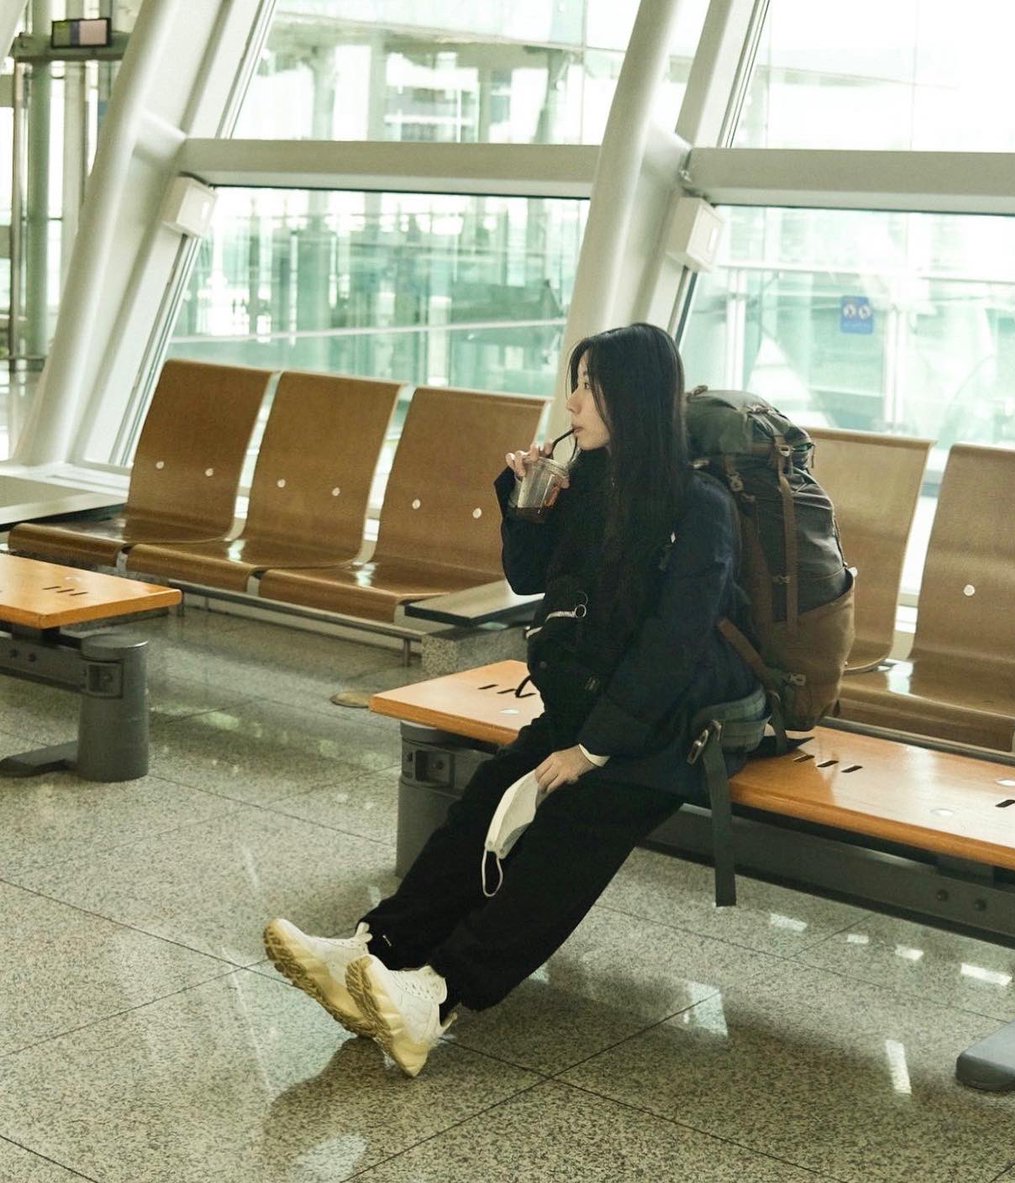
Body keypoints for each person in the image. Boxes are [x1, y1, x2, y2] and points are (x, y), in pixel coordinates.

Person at [263, 322, 763, 1076]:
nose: (573, 403)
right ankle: (376, 949)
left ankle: (438, 993)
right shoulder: (592, 483)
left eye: (590, 388)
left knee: (570, 830)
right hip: (591, 709)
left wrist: (591, 750)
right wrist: (525, 504)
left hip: (680, 730)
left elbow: (675, 646)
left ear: (632, 396)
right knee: (488, 799)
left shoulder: (699, 507)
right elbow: (532, 579)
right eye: (575, 385)